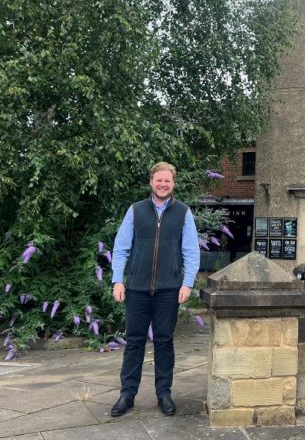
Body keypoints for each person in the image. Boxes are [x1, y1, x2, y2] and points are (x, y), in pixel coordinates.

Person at [110, 161, 200, 417]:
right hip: (137, 288)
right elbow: (121, 247)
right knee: (134, 342)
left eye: (167, 181)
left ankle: (164, 394)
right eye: (159, 180)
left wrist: (187, 282)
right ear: (151, 182)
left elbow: (191, 251)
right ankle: (127, 394)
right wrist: (118, 279)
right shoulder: (136, 211)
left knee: (164, 342)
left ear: (173, 183)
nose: (163, 184)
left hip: (169, 289)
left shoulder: (183, 212)